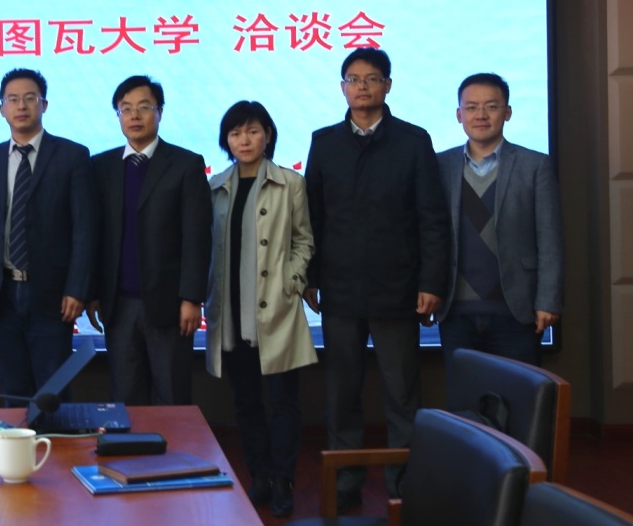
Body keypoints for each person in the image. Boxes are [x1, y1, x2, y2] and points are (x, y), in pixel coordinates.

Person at [304, 48, 449, 511]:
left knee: (402, 393)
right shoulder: (324, 141)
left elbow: (431, 218)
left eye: (371, 78)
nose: (362, 86)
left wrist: (431, 281)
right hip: (340, 289)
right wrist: (310, 277)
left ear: (388, 85)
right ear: (342, 87)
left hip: (398, 289)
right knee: (342, 393)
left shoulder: (413, 140)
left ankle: (404, 482)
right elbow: (312, 217)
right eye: (353, 78)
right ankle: (346, 479)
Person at [204, 100, 316, 518]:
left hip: (277, 311)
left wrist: (293, 281)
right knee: (246, 402)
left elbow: (304, 240)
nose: (244, 140)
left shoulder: (291, 183)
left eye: (252, 131)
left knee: (285, 401)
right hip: (231, 312)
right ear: (226, 140)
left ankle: (284, 478)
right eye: (235, 133)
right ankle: (261, 476)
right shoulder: (215, 186)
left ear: (268, 135)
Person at [0, 68, 98, 398]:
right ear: (2, 108)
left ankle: (53, 435)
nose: (21, 106)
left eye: (30, 98)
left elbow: (84, 230)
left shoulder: (72, 156)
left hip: (52, 294)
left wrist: (77, 289)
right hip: (2, 294)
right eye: (12, 99)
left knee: (53, 391)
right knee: (12, 388)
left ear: (44, 105)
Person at [87, 75, 210, 406]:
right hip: (118, 305)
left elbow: (197, 236)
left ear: (160, 112)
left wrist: (191, 298)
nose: (134, 116)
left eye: (144, 107)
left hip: (169, 304)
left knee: (172, 395)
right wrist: (93, 292)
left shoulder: (185, 164)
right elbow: (94, 235)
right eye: (125, 109)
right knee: (126, 397)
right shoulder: (100, 166)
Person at [436, 73, 563, 365]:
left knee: (518, 391)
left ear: (507, 112)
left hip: (516, 309)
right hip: (455, 311)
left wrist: (548, 300)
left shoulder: (535, 165)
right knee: (464, 392)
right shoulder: (440, 165)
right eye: (471, 107)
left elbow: (550, 239)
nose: (481, 115)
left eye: (491, 107)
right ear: (459, 115)